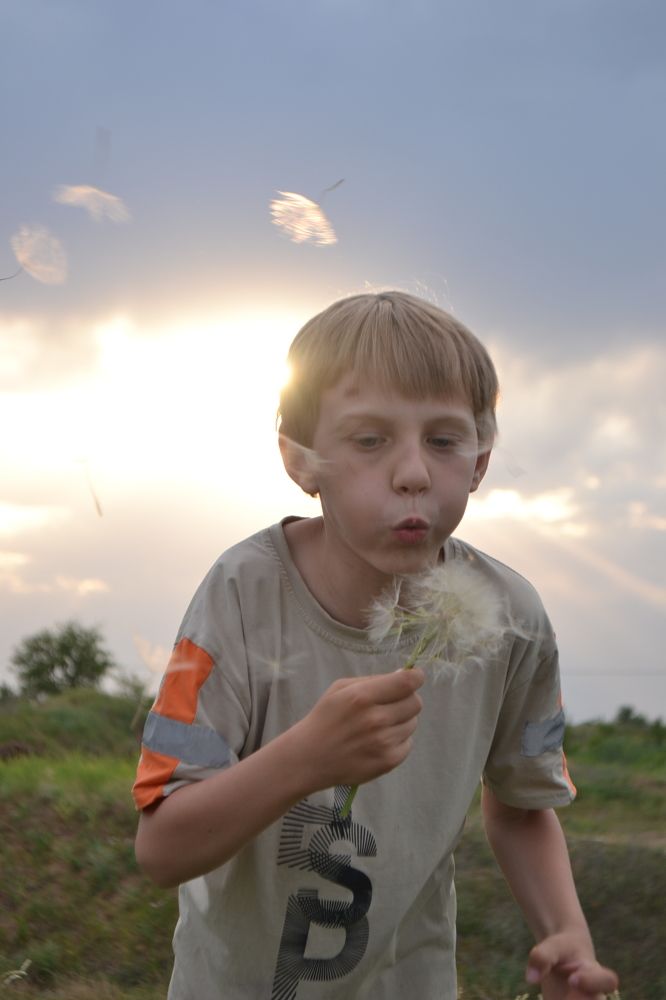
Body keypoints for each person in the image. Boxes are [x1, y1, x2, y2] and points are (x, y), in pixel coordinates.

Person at [133, 291, 618, 1000]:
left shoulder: (512, 620)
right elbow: (161, 848)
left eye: (444, 440)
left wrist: (566, 931)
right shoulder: (239, 594)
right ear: (302, 462)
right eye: (370, 440)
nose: (414, 471)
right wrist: (307, 758)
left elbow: (520, 806)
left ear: (479, 462)